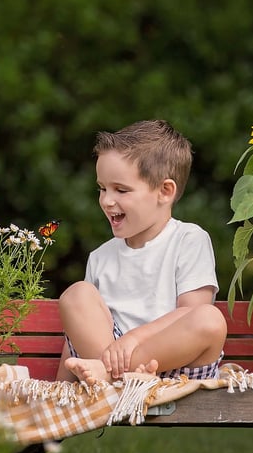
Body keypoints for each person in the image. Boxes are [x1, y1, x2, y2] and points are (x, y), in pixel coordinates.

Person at [57, 119, 227, 384]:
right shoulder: (101, 257)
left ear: (164, 191)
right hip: (107, 354)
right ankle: (116, 376)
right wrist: (60, 389)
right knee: (76, 295)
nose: (106, 200)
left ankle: (112, 376)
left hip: (176, 364)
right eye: (102, 188)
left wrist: (133, 339)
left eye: (121, 190)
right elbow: (77, 336)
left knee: (210, 320)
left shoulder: (188, 239)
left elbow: (190, 312)